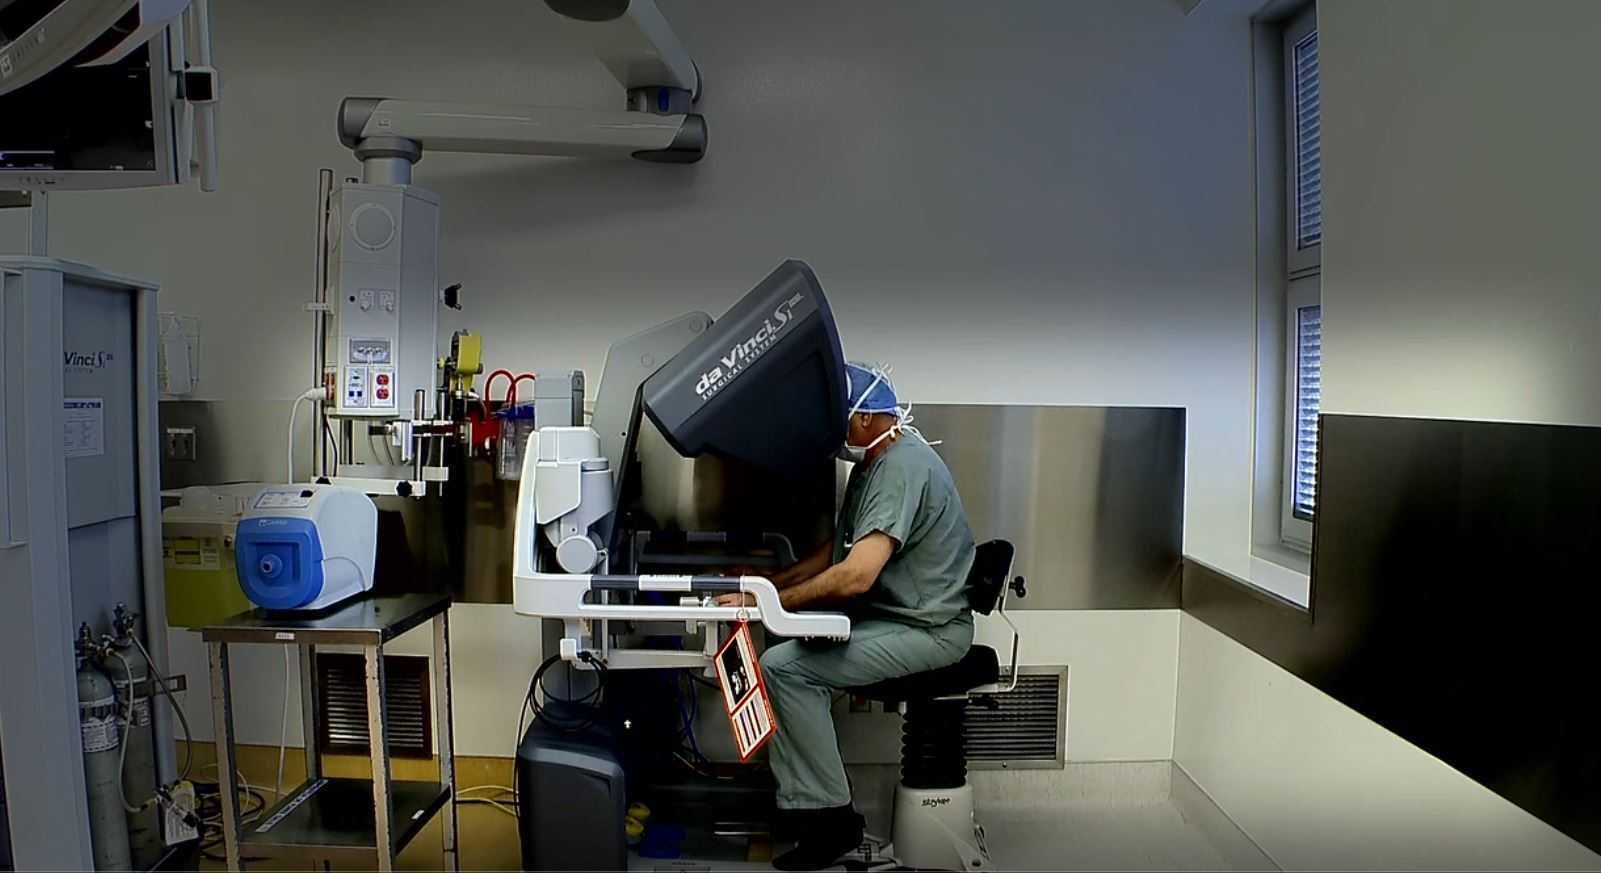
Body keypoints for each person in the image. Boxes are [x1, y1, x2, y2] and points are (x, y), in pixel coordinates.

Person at [717, 361, 977, 871]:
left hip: (930, 630)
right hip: (898, 617)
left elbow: (856, 574)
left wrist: (768, 603)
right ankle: (811, 807)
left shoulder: (901, 469)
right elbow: (838, 550)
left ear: (862, 420)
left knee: (783, 668)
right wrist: (770, 584)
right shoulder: (874, 465)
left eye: (836, 418)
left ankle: (831, 822)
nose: (830, 431)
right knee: (781, 658)